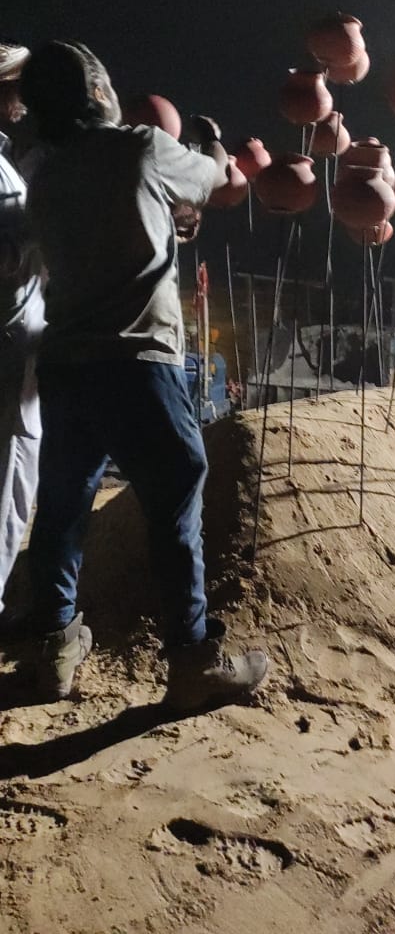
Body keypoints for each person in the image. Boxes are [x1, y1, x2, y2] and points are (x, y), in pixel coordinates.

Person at [19, 40, 268, 706]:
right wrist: (213, 146)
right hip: (138, 362)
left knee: (63, 509)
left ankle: (52, 651)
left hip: (66, 365)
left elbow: (107, 226)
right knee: (175, 503)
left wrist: (164, 215)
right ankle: (192, 662)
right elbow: (217, 181)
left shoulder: (42, 173)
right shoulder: (140, 148)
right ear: (99, 91)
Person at [0, 41, 45, 636]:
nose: (23, 98)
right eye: (14, 85)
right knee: (9, 488)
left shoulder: (12, 163)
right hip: (7, 354)